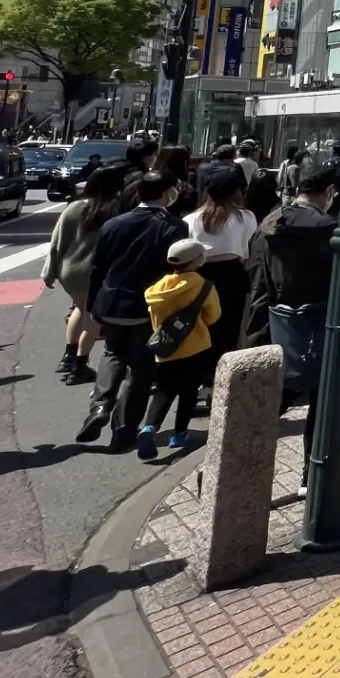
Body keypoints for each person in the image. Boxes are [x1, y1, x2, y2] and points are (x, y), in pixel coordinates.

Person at [80, 172, 189, 452]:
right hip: (148, 305)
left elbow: (98, 267)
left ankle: (100, 406)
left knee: (112, 353)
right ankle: (125, 431)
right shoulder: (175, 227)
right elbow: (175, 270)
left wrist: (92, 304)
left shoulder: (113, 223)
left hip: (111, 301)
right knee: (140, 369)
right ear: (166, 193)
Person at [246, 164, 339, 484]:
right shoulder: (328, 228)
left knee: (272, 399)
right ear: (328, 192)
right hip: (321, 324)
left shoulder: (270, 222)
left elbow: (256, 277)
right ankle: (312, 474)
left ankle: (237, 460)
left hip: (275, 322)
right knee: (322, 401)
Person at [135, 239, 221, 459]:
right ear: (197, 260)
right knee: (189, 391)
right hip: (195, 346)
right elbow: (213, 315)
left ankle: (149, 428)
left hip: (166, 348)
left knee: (164, 390)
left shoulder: (158, 288)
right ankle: (179, 434)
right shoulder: (202, 284)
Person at [46, 164, 127, 385]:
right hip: (95, 271)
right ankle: (79, 365)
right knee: (93, 316)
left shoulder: (75, 207)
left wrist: (49, 272)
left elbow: (57, 241)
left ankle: (69, 355)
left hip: (70, 271)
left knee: (80, 309)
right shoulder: (116, 210)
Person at [183, 165, 258, 377]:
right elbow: (250, 249)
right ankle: (222, 375)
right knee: (230, 326)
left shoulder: (191, 219)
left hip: (200, 274)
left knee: (201, 324)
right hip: (234, 273)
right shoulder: (246, 217)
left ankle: (200, 372)